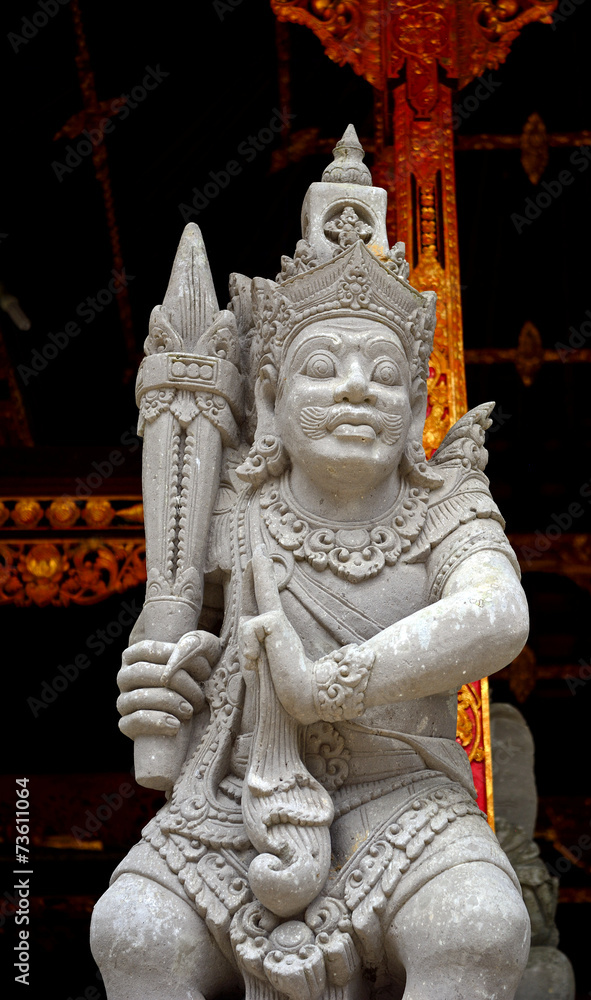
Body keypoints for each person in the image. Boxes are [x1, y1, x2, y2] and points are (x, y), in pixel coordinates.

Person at [91, 127, 531, 1000]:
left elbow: (496, 614)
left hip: (404, 801)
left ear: (414, 410)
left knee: (480, 926)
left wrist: (329, 683)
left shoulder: (445, 508)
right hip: (229, 811)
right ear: (268, 399)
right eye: (322, 368)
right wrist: (155, 680)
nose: (356, 388)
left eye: (381, 373)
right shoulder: (227, 514)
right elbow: (175, 645)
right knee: (134, 933)